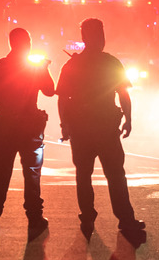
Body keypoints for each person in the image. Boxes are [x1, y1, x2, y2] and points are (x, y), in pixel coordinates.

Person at [56, 18, 145, 237]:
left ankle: (87, 217)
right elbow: (123, 94)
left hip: (81, 129)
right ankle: (125, 219)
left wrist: (65, 125)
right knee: (115, 175)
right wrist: (128, 120)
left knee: (84, 175)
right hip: (105, 129)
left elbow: (63, 99)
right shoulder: (111, 62)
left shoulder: (72, 64)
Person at [0, 28, 54, 237]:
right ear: (28, 43)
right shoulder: (34, 67)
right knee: (32, 172)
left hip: (4, 126)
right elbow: (50, 90)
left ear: (11, 43)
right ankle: (34, 218)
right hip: (30, 126)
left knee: (1, 173)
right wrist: (45, 68)